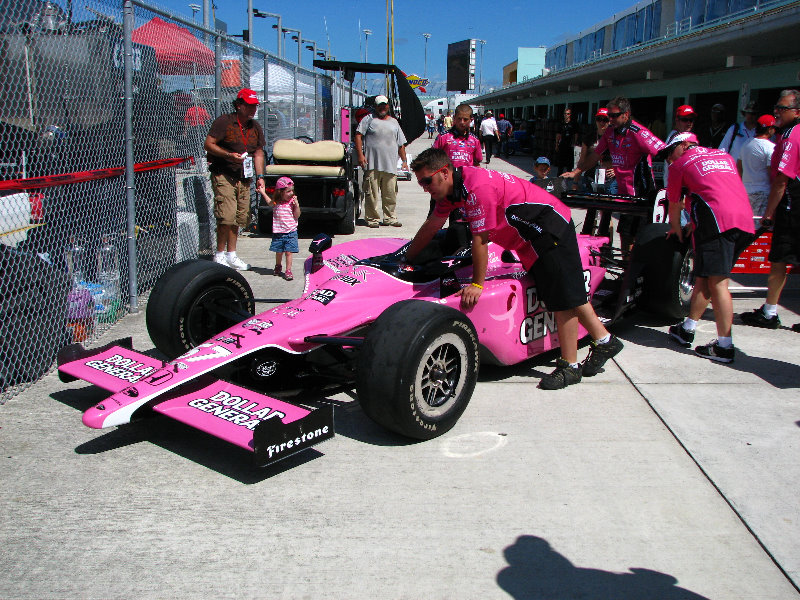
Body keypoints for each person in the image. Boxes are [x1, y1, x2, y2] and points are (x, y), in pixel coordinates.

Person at [404, 147, 624, 390]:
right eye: (421, 183)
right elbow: (431, 225)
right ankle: (605, 340)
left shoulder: (476, 187)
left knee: (562, 299)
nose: (425, 187)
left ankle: (569, 367)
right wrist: (407, 258)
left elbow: (481, 240)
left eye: (427, 180)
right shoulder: (450, 192)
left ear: (444, 172)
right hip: (528, 238)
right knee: (565, 289)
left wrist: (477, 284)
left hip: (549, 228)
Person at [662, 133, 755, 363]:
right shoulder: (723, 156)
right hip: (744, 222)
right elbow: (718, 189)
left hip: (718, 224)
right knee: (704, 275)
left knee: (718, 283)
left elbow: (674, 205)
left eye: (669, 152)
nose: (667, 159)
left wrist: (675, 229)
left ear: (683, 145)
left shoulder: (680, 164)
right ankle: (687, 329)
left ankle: (724, 346)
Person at [562, 96, 665, 253]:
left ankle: (636, 272)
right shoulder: (610, 132)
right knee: (625, 235)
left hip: (641, 194)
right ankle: (627, 272)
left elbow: (665, 152)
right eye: (609, 116)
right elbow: (595, 155)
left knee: (640, 238)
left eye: (614, 115)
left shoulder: (638, 132)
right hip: (624, 196)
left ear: (626, 114)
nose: (611, 119)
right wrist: (576, 172)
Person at [740, 89, 800, 332]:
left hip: (792, 204)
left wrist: (768, 213)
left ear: (797, 111)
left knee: (778, 259)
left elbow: (781, 181)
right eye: (777, 107)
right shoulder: (787, 133)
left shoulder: (792, 136)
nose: (777, 112)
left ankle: (770, 311)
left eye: (782, 108)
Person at [204, 88, 266, 271]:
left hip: (244, 177)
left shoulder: (255, 127)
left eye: (254, 106)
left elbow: (259, 153)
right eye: (249, 106)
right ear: (239, 105)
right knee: (226, 215)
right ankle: (220, 254)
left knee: (240, 217)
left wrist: (260, 176)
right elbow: (209, 144)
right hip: (224, 174)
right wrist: (228, 155)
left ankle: (232, 254)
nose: (252, 109)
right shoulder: (225, 122)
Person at [432, 103, 483, 248]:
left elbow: (477, 163)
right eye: (459, 118)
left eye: (465, 119)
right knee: (435, 220)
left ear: (471, 119)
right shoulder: (443, 137)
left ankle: (456, 251)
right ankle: (431, 247)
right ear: (454, 119)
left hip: (464, 189)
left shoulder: (475, 140)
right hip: (444, 187)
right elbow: (432, 158)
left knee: (460, 223)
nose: (462, 122)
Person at [355, 95, 408, 228]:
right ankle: (372, 219)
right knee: (371, 194)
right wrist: (361, 156)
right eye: (380, 105)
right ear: (375, 106)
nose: (382, 107)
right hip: (372, 164)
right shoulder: (368, 119)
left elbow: (401, 144)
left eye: (384, 105)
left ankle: (390, 218)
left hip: (390, 165)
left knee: (390, 194)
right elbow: (358, 135)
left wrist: (404, 160)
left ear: (388, 106)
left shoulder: (394, 122)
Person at [259, 176, 301, 281]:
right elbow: (269, 203)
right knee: (279, 251)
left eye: (292, 191)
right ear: (280, 192)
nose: (291, 193)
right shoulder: (276, 202)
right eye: (288, 191)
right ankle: (278, 265)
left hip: (291, 232)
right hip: (278, 232)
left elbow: (297, 215)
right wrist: (263, 193)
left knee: (288, 252)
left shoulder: (292, 202)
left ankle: (288, 270)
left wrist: (297, 206)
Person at [738, 115, 776, 226]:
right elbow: (771, 174)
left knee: (747, 227)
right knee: (760, 230)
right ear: (770, 129)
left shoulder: (746, 144)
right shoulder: (771, 147)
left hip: (746, 192)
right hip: (763, 193)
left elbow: (739, 167)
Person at [663, 104, 695, 187]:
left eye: (691, 120)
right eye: (685, 120)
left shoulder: (673, 134)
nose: (689, 123)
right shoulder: (681, 137)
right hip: (678, 187)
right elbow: (670, 160)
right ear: (677, 120)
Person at [553, 108, 578, 175]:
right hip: (562, 144)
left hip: (570, 144)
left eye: (568, 114)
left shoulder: (573, 123)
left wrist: (575, 143)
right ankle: (559, 174)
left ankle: (568, 173)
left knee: (569, 161)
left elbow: (576, 134)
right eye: (565, 114)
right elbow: (558, 134)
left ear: (570, 115)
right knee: (561, 160)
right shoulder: (561, 123)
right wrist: (556, 144)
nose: (566, 115)